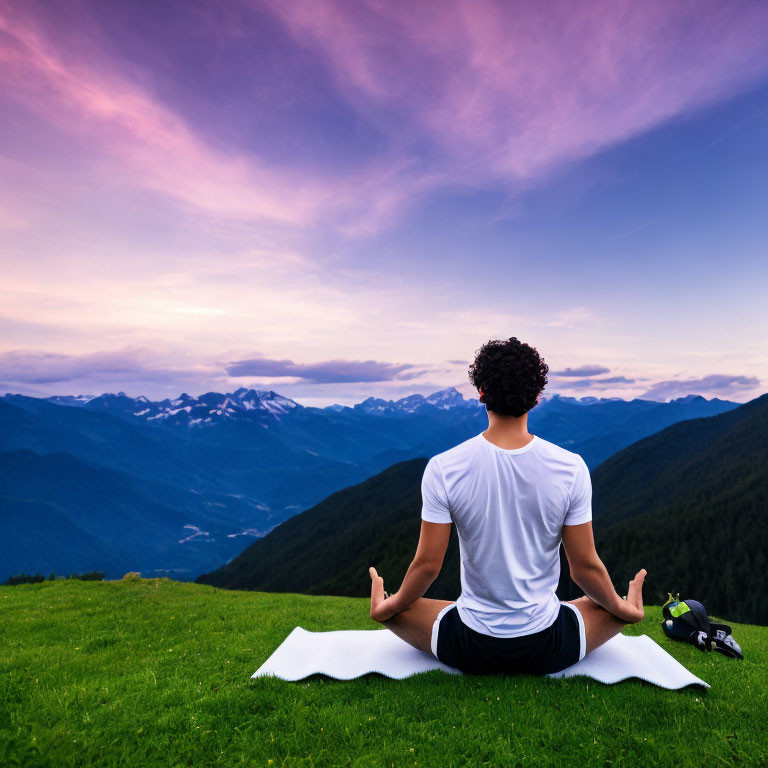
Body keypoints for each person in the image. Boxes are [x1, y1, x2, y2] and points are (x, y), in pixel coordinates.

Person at [368, 336, 646, 675]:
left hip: (469, 645)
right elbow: (585, 570)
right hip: (549, 645)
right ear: (536, 396)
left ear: (481, 392)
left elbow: (427, 566)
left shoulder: (443, 467)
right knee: (604, 604)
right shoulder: (571, 467)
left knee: (396, 609)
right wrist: (624, 607)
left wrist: (389, 605)